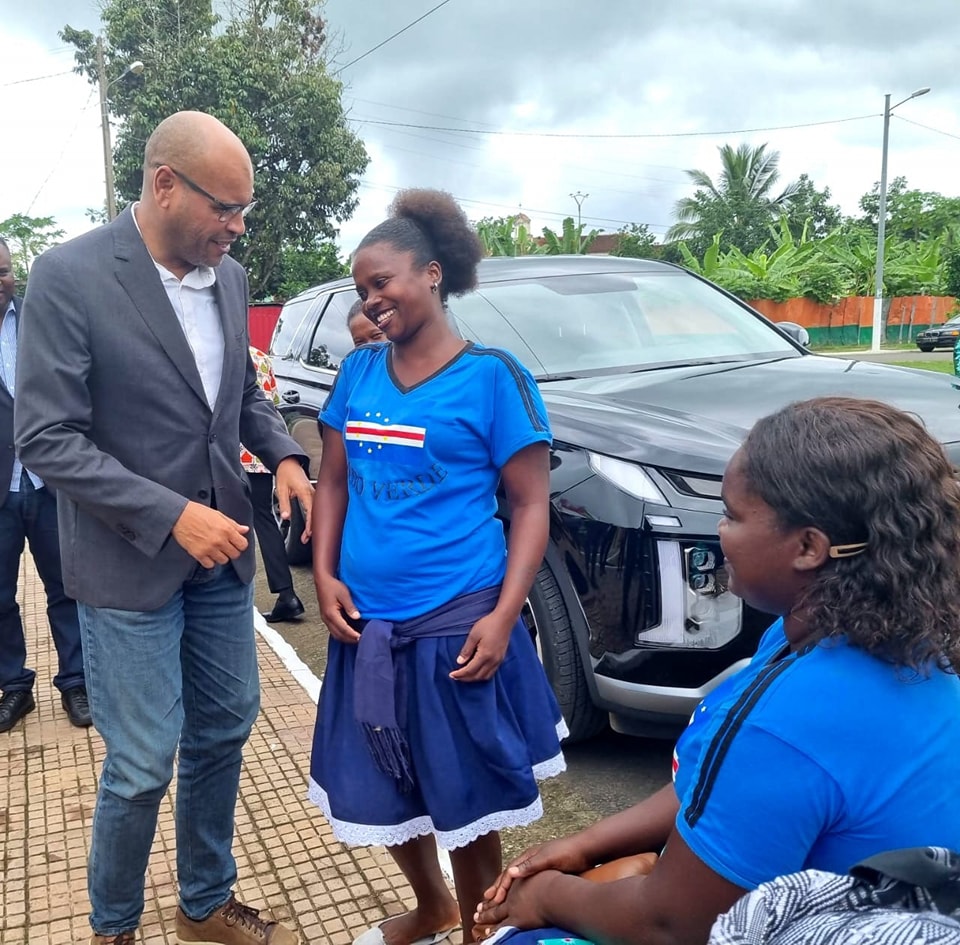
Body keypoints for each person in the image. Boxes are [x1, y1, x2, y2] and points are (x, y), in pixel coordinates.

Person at [473, 396, 960, 945]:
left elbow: (671, 925)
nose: (719, 532)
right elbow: (711, 782)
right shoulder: (885, 636)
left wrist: (544, 897)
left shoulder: (787, 720)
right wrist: (588, 844)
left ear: (808, 547)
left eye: (731, 514)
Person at [14, 111, 313, 945]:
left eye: (244, 211)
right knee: (143, 760)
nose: (237, 226)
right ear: (164, 184)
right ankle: (113, 926)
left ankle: (203, 903)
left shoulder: (230, 278)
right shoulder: (69, 276)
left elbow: (239, 398)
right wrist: (171, 514)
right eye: (226, 207)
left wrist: (285, 455)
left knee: (224, 727)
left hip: (219, 567)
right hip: (127, 561)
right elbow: (46, 438)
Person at [309, 188, 566, 945]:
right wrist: (323, 574)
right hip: (368, 625)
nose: (371, 299)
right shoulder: (358, 373)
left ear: (430, 273)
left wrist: (503, 611)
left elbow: (529, 506)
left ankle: (477, 932)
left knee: (467, 795)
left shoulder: (494, 377)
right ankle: (434, 907)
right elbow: (335, 480)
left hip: (459, 620)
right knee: (378, 785)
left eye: (382, 280)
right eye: (360, 289)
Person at [0, 237, 90, 732]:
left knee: (67, 587)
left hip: (52, 481)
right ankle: (14, 687)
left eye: (4, 271)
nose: (0, 282)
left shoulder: (39, 317)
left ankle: (76, 682)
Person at [242, 345, 305, 623]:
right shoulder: (262, 359)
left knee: (232, 520)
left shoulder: (220, 354)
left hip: (232, 454)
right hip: (265, 456)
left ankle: (234, 595)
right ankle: (286, 593)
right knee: (264, 521)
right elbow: (273, 403)